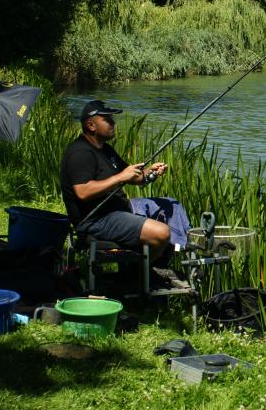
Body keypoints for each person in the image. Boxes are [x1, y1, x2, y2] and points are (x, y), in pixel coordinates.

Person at [60, 100, 188, 284]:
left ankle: (157, 265)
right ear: (91, 125)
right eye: (108, 119)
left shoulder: (105, 149)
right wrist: (120, 177)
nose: (113, 123)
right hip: (96, 219)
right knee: (161, 232)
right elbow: (83, 192)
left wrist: (149, 173)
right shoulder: (80, 153)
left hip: (119, 207)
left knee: (171, 205)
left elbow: (132, 176)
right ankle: (137, 275)